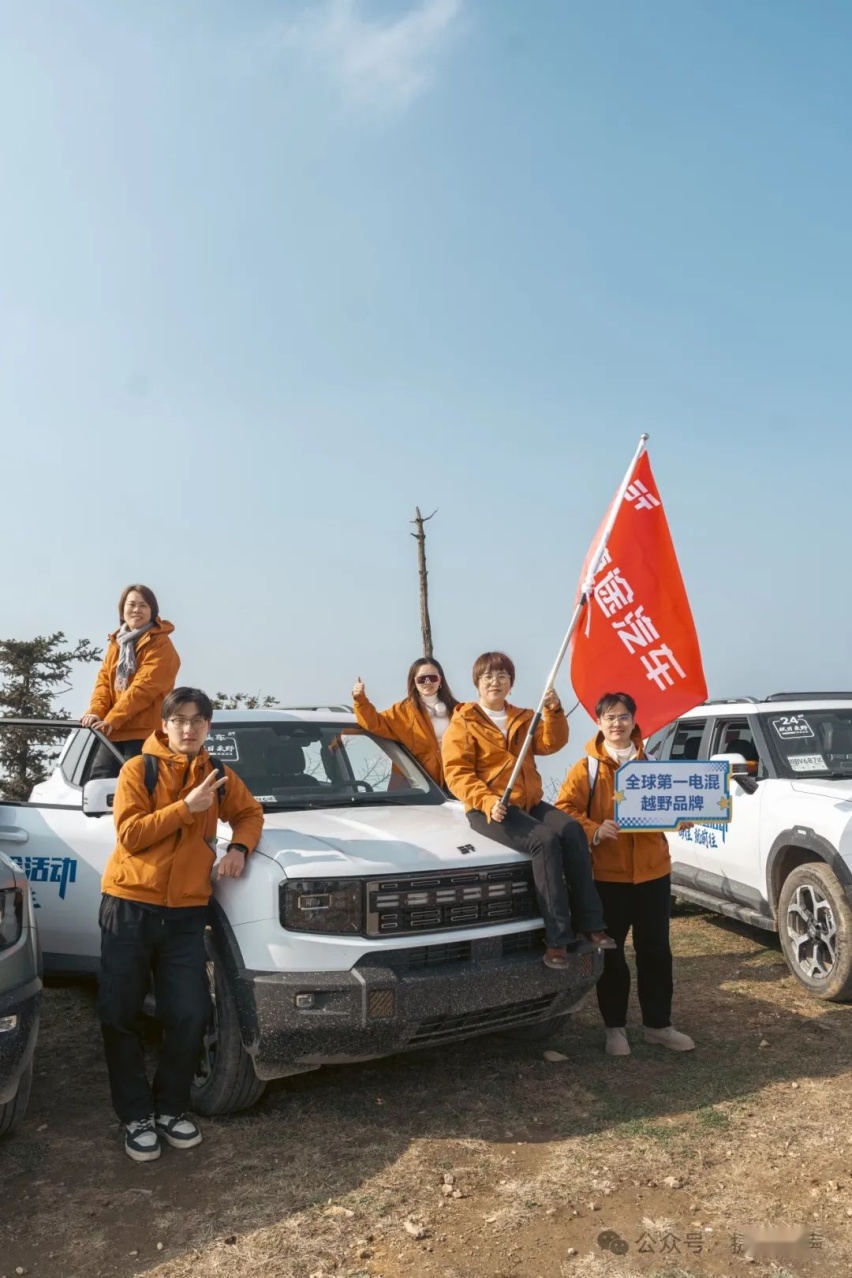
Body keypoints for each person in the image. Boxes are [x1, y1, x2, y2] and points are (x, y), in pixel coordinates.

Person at [98, 686, 264, 1161]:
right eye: (179, 720)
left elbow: (250, 814)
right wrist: (185, 808)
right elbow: (130, 835)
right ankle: (135, 1116)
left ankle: (171, 1108)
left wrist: (238, 848)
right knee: (120, 1013)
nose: (188, 729)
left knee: (190, 1010)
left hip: (187, 912)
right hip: (129, 904)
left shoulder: (221, 776)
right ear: (165, 724)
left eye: (197, 721)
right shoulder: (138, 769)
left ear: (208, 727)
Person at [441, 651, 614, 968]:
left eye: (502, 676)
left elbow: (552, 743)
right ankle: (557, 940)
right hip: (489, 808)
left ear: (511, 683)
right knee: (544, 841)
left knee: (573, 831)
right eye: (488, 677)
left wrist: (553, 710)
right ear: (477, 683)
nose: (495, 682)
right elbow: (457, 773)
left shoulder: (523, 716)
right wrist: (488, 801)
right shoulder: (464, 721)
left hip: (529, 801)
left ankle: (591, 924)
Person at [556, 691, 695, 1056]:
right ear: (599, 723)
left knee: (656, 952)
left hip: (653, 874)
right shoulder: (586, 768)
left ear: (634, 721)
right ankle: (614, 1029)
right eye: (609, 718)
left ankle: (659, 1026)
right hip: (607, 878)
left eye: (623, 717)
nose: (616, 724)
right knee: (612, 956)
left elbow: (676, 806)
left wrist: (687, 814)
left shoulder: (654, 765)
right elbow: (563, 810)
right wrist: (593, 828)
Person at [82, 584, 180, 779]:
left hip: (144, 735)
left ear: (152, 611)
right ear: (122, 609)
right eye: (131, 604)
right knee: (98, 787)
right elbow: (103, 682)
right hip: (111, 733)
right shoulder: (117, 642)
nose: (136, 610)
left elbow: (144, 688)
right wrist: (95, 712)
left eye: (143, 605)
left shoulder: (160, 644)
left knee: (136, 788)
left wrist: (112, 719)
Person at [352, 658, 459, 788]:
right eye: (421, 679)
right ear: (413, 681)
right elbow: (374, 723)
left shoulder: (457, 710)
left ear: (440, 680)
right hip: (418, 786)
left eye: (432, 677)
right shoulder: (402, 711)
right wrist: (361, 701)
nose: (427, 682)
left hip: (455, 782)